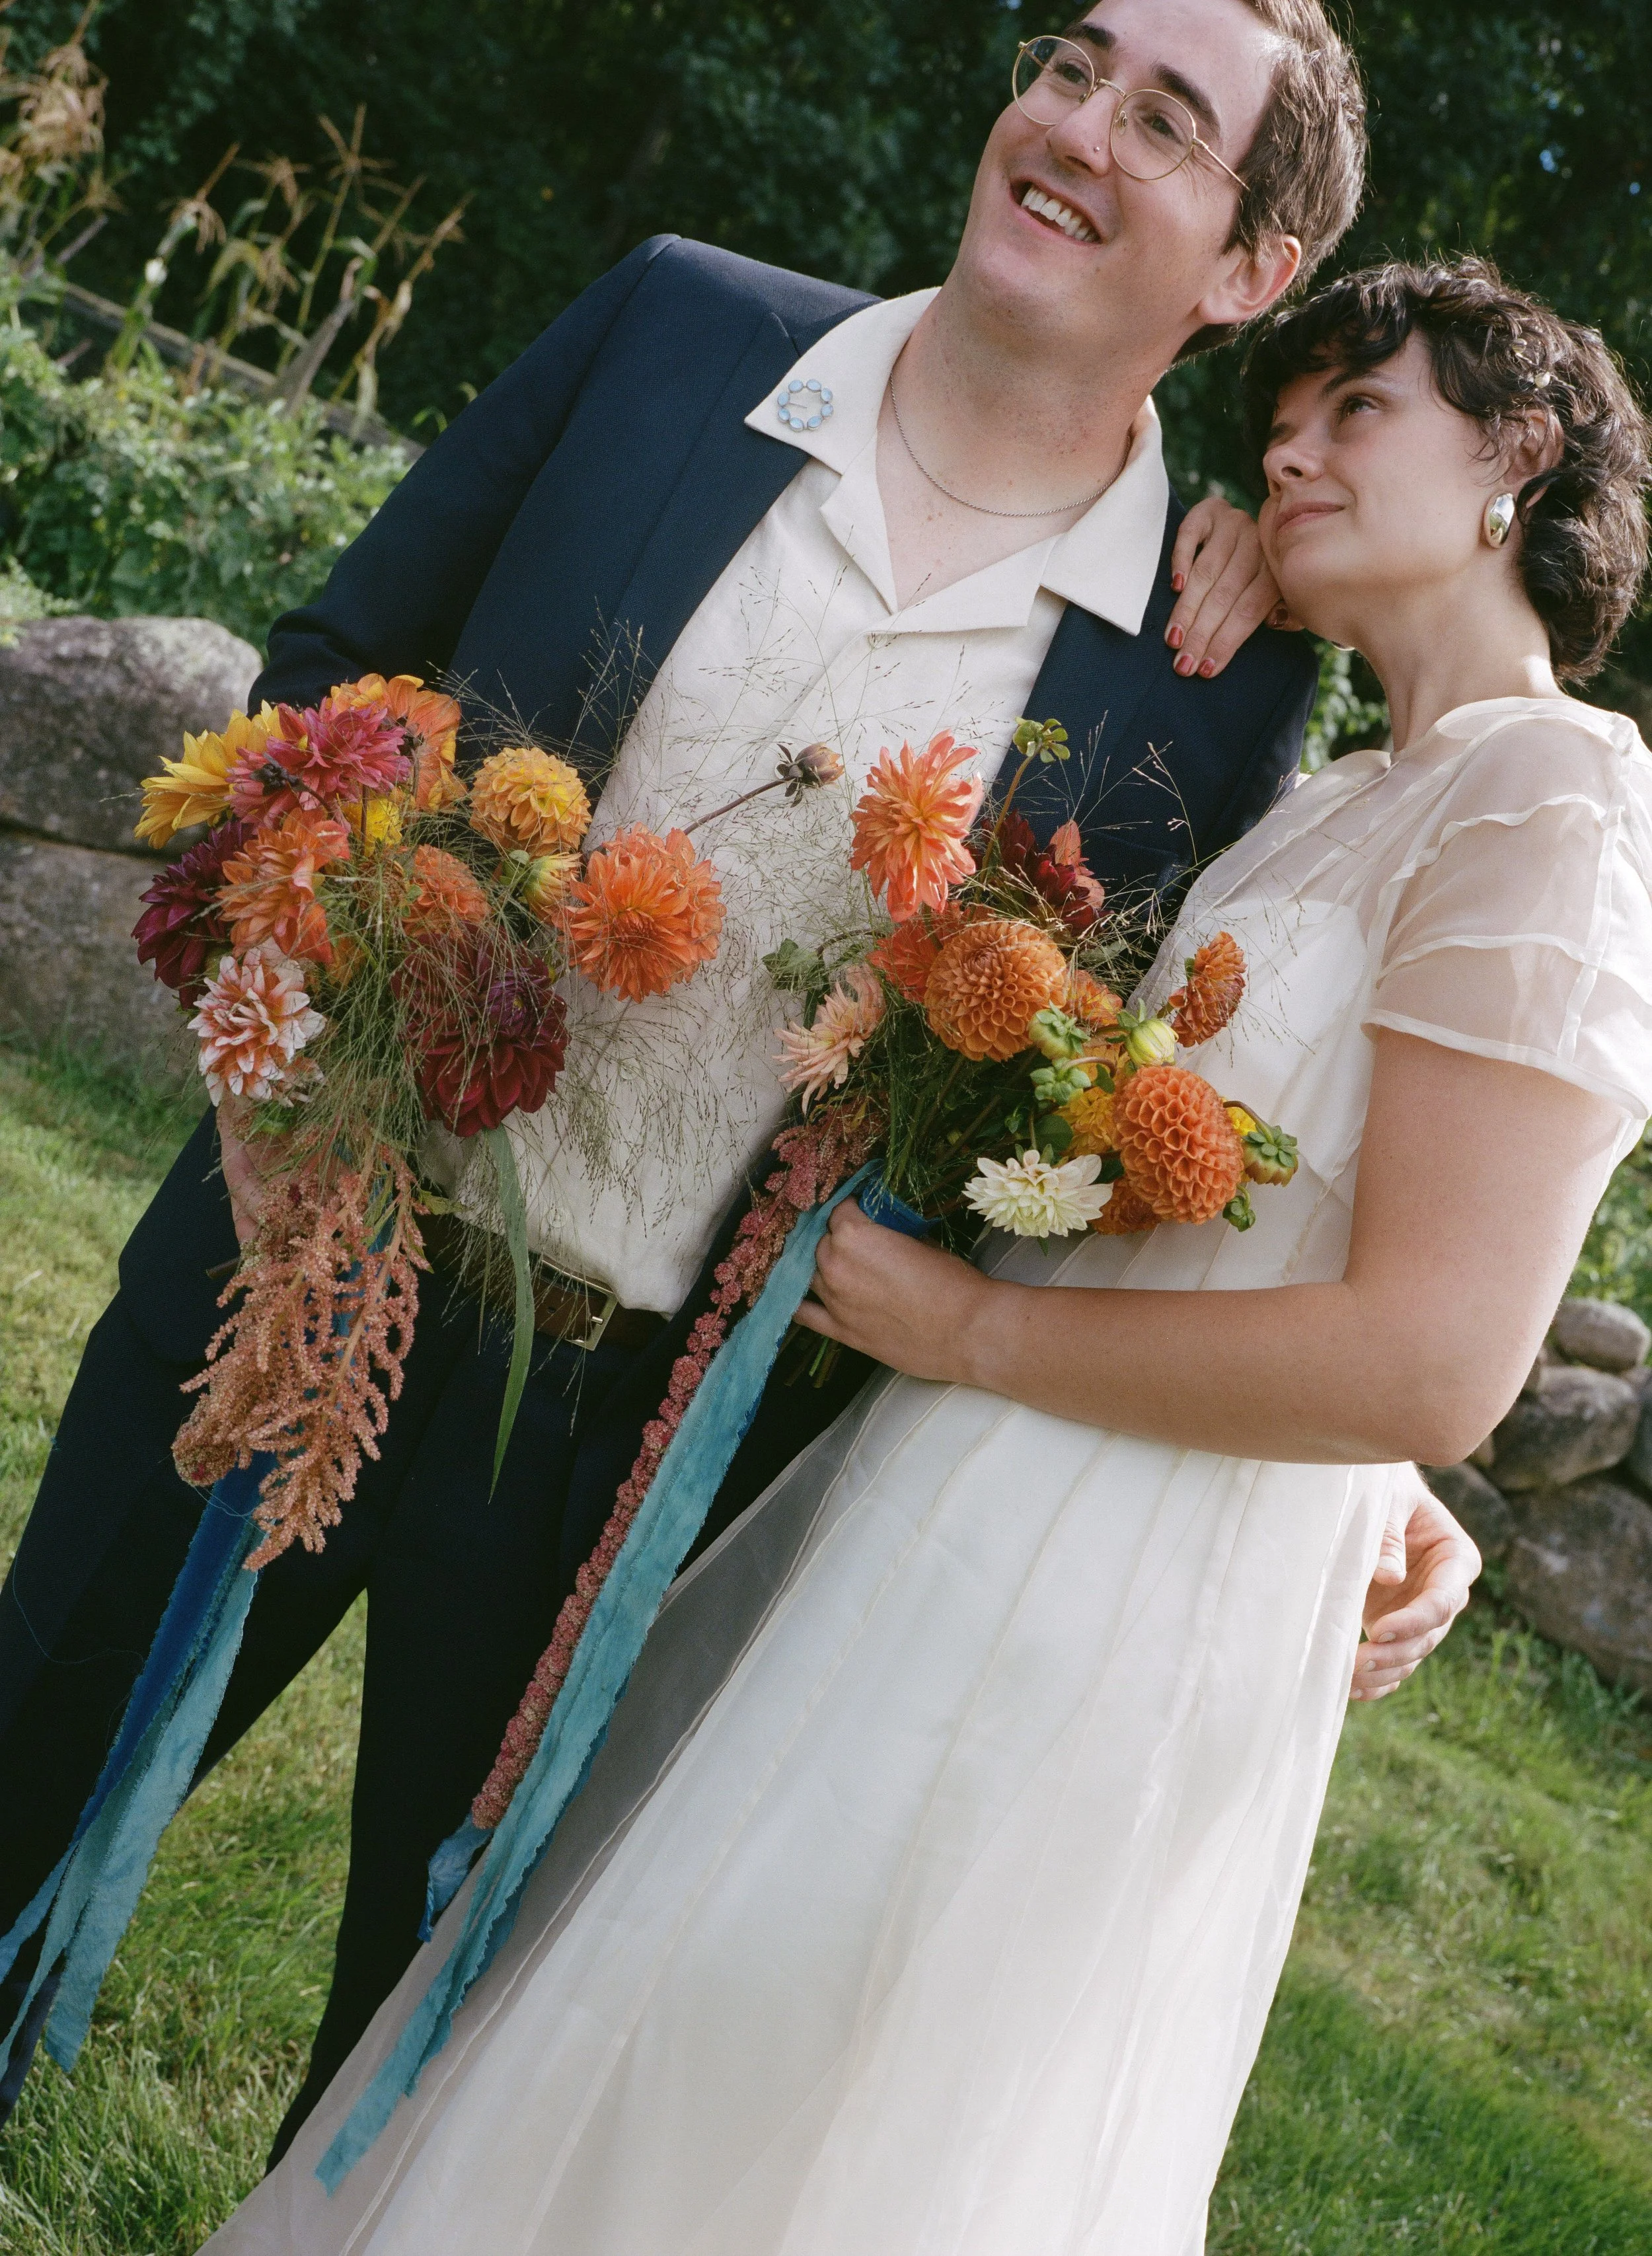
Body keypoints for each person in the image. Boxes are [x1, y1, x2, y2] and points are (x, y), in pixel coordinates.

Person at [0, 0, 1472, 2162]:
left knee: (416, 2089)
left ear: (1245, 271)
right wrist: (296, 1038)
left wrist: (1375, 1476)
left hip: (627, 1463)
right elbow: (336, 668)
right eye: (1065, 64)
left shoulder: (1216, 684)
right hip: (297, 1279)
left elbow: (1188, 1124)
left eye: (1161, 120)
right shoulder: (677, 332)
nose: (1069, 123)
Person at [197, 250, 1652, 2256]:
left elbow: (1435, 1352)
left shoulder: (1562, 793)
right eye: (1277, 421)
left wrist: (978, 1329)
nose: (1294, 447)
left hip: (1115, 1568)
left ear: (1522, 452)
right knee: (677, 2023)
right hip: (970, 1500)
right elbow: (1288, 1195)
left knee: (841, 2079)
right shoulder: (1351, 782)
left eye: (1356, 411)